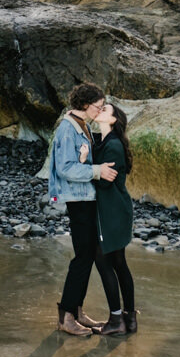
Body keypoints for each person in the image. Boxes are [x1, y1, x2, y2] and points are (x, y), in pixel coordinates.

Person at [47, 82, 118, 337]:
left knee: (86, 256)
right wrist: (97, 171)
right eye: (98, 106)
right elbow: (65, 168)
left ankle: (76, 311)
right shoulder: (68, 130)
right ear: (85, 104)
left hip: (86, 198)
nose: (100, 111)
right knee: (82, 258)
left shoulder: (82, 126)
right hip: (78, 200)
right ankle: (66, 316)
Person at [92, 102, 136, 335]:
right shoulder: (105, 142)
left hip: (112, 212)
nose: (100, 111)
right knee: (119, 263)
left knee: (103, 261)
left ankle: (116, 320)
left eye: (105, 110)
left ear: (113, 120)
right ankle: (129, 320)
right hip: (116, 210)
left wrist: (85, 166)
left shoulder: (113, 146)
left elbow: (103, 181)